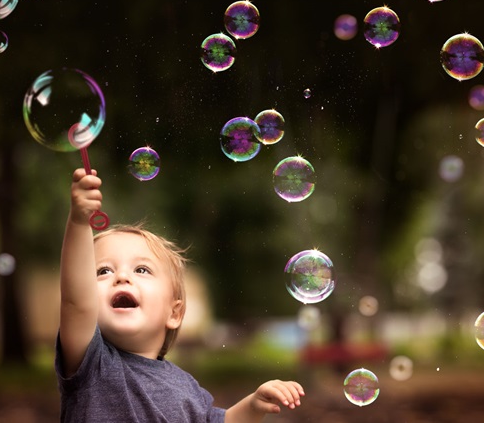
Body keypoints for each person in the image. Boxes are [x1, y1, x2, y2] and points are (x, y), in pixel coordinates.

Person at [56, 167, 305, 422]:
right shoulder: (92, 364)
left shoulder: (186, 387)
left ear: (174, 313)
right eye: (103, 270)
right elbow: (77, 302)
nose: (121, 276)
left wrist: (252, 406)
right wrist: (78, 221)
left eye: (142, 269)